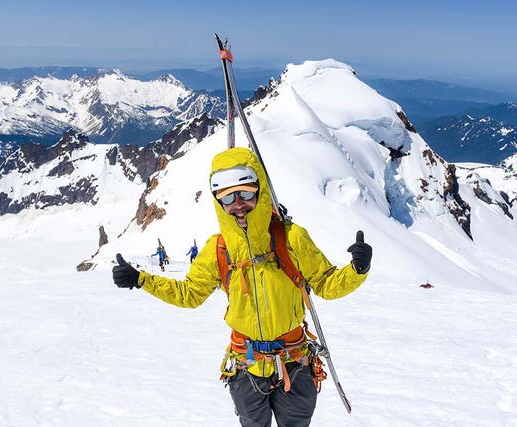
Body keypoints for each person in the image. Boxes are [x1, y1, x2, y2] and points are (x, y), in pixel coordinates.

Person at [112, 147, 372, 427]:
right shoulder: (218, 248)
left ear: (260, 192)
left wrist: (357, 270)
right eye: (227, 197)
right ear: (218, 202)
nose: (238, 204)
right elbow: (190, 294)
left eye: (246, 193)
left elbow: (326, 283)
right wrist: (141, 280)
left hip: (294, 364)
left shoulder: (290, 237)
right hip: (246, 366)